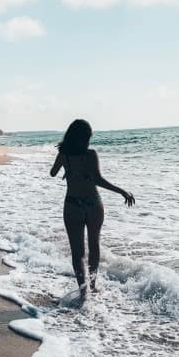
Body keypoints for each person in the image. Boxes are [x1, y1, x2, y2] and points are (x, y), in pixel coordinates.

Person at [50, 119, 135, 301]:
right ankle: (93, 285)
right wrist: (122, 191)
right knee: (94, 246)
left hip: (72, 204)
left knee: (78, 252)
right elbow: (98, 180)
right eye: (88, 137)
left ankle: (84, 293)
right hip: (93, 204)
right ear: (83, 138)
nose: (89, 140)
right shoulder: (91, 154)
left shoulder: (63, 154)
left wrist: (68, 168)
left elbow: (52, 173)